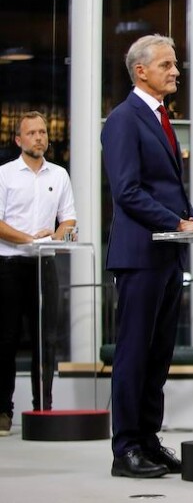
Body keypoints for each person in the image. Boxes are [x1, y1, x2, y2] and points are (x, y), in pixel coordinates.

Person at [101, 34, 193, 478]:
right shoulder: (123, 119)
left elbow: (166, 187)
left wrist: (192, 218)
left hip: (168, 255)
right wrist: (177, 222)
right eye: (166, 65)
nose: (175, 71)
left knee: (158, 356)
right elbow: (127, 191)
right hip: (139, 255)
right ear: (141, 71)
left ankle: (148, 442)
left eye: (175, 64)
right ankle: (126, 449)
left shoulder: (161, 117)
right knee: (134, 354)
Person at [0, 112, 77, 436]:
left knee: (46, 341)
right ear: (19, 140)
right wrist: (30, 239)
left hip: (45, 264)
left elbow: (69, 221)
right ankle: (3, 412)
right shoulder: (5, 174)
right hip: (9, 264)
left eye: (43, 132)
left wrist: (56, 236)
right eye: (32, 133)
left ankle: (43, 409)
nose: (39, 137)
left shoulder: (59, 175)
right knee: (6, 340)